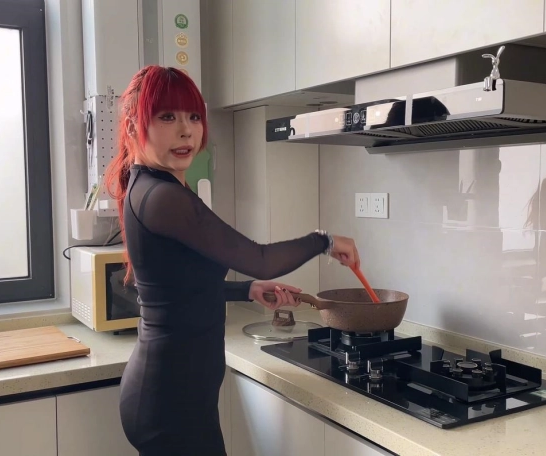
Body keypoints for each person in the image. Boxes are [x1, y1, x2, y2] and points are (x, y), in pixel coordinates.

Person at [104, 65, 361, 456]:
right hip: (172, 403)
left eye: (194, 117)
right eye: (167, 117)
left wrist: (247, 290)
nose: (186, 131)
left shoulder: (152, 186)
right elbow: (260, 258)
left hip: (172, 395)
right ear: (133, 126)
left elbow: (171, 287)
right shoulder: (164, 196)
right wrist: (323, 241)